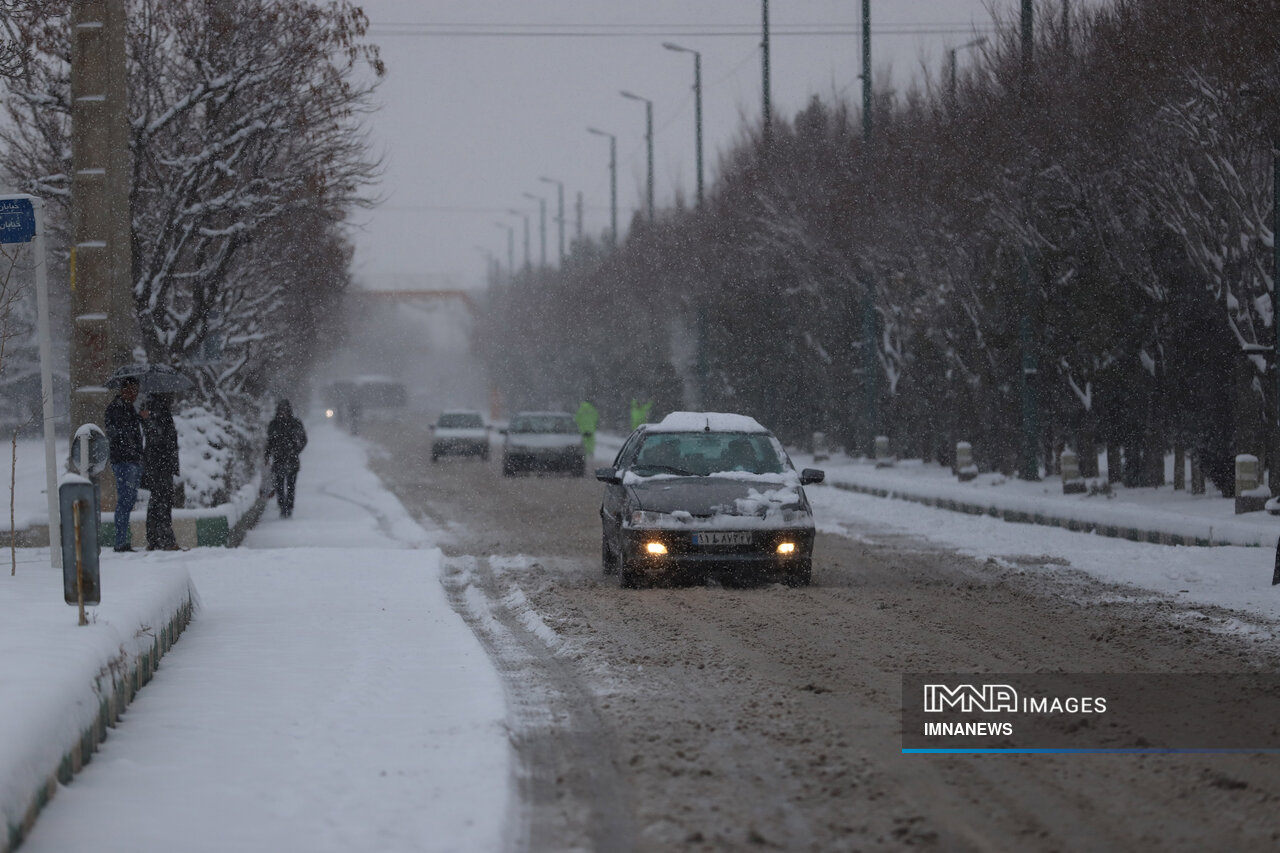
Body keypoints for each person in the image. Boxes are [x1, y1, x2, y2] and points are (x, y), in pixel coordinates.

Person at [104, 376, 147, 552]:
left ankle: (123, 540)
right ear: (123, 390)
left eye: (136, 390)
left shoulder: (128, 409)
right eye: (131, 390)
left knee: (129, 501)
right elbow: (118, 433)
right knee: (125, 500)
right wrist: (136, 421)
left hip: (133, 459)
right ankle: (121, 541)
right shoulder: (116, 408)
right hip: (123, 460)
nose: (134, 394)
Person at [141, 392, 181, 550]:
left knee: (158, 501)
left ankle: (155, 539)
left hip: (158, 464)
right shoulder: (158, 411)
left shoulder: (155, 411)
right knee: (162, 501)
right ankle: (165, 539)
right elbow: (158, 437)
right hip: (160, 465)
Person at [265, 399, 308, 518]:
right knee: (279, 486)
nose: (283, 412)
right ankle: (282, 507)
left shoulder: (295, 423)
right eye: (281, 410)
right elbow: (269, 442)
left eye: (285, 410)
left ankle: (288, 508)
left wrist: (296, 451)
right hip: (279, 459)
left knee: (290, 486)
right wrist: (267, 455)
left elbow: (304, 439)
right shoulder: (274, 424)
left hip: (291, 459)